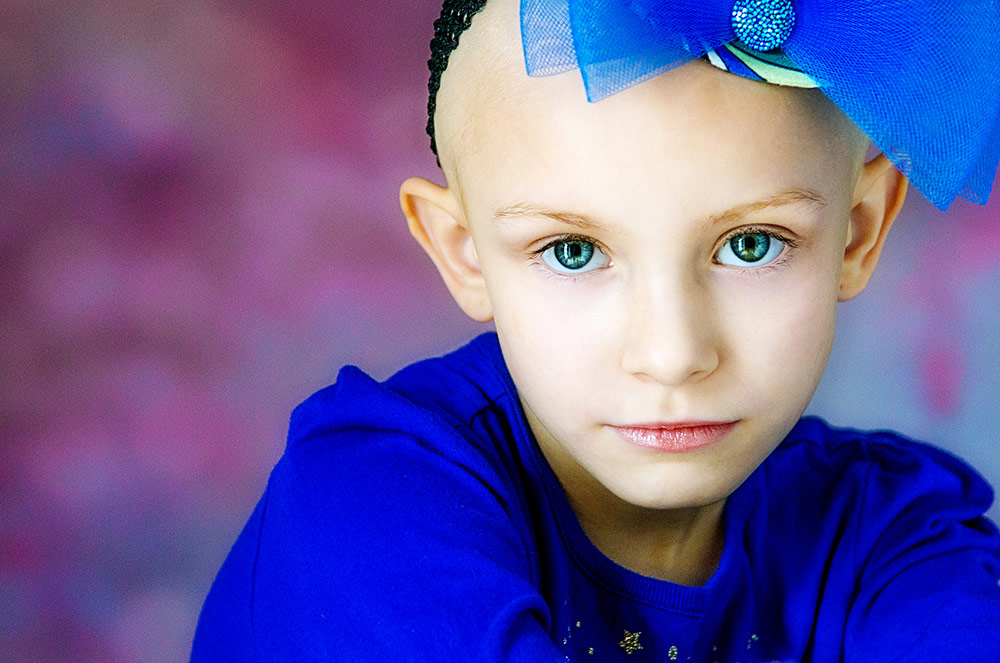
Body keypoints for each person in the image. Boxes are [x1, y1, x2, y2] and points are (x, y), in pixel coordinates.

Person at [191, 0, 1000, 660]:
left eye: (751, 245)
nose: (672, 354)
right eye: (573, 251)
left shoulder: (897, 540)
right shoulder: (364, 508)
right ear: (464, 252)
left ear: (857, 233)